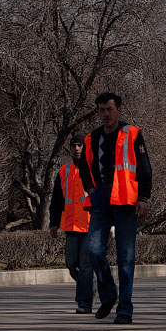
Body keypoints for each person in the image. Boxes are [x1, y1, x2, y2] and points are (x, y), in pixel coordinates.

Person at [78, 92, 152, 324]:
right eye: (101, 110)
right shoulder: (92, 138)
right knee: (93, 249)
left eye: (109, 109)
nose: (105, 114)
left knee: (126, 258)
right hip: (101, 201)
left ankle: (125, 309)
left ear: (119, 110)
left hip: (126, 202)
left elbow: (145, 168)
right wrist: (90, 189)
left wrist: (144, 198)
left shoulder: (132, 134)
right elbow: (83, 167)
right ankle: (109, 293)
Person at [49, 134, 101, 314]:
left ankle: (84, 303)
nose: (77, 148)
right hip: (70, 226)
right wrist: (53, 223)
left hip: (89, 225)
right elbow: (56, 200)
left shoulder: (94, 169)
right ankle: (95, 286)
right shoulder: (64, 171)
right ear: (70, 148)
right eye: (74, 145)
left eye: (80, 145)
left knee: (86, 265)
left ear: (85, 148)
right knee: (71, 264)